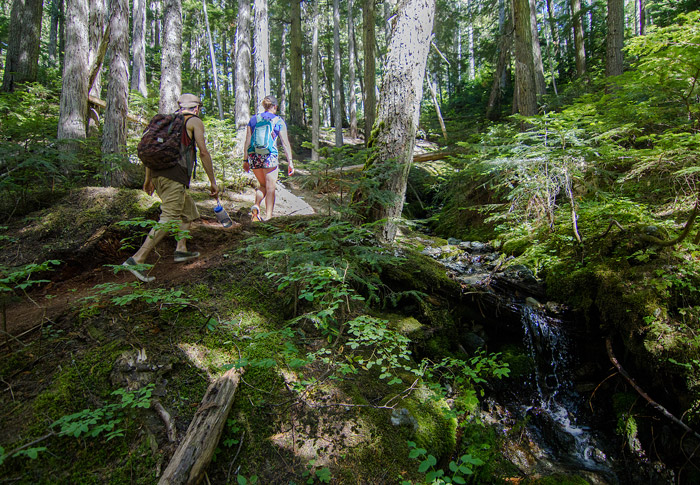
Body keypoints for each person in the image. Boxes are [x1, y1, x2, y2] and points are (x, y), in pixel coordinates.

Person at [123, 93, 219, 283]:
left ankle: (181, 249)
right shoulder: (193, 121)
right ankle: (137, 259)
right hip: (175, 177)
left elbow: (153, 150)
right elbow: (204, 152)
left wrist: (149, 178)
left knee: (188, 211)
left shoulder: (166, 123)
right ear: (196, 108)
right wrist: (212, 181)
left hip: (159, 176)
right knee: (168, 218)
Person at [242, 95, 295, 221]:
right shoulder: (278, 121)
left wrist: (245, 160)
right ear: (275, 107)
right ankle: (269, 217)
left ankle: (256, 205)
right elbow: (285, 143)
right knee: (270, 187)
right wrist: (290, 162)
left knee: (262, 185)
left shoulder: (254, 120)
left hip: (254, 156)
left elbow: (247, 141)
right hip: (270, 156)